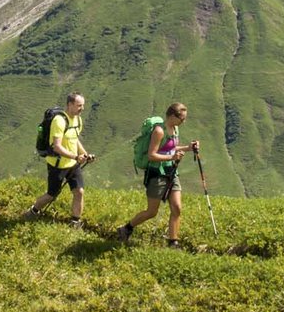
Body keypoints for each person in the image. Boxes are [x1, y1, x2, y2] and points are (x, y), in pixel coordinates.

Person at [114, 102, 195, 246]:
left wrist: (189, 148)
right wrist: (172, 157)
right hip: (156, 173)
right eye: (182, 119)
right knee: (152, 212)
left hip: (171, 171)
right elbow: (152, 155)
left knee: (177, 208)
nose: (184, 122)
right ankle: (126, 228)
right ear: (172, 116)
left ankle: (173, 242)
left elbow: (171, 147)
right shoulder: (159, 131)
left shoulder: (174, 128)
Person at [23, 92, 94, 225]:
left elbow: (74, 138)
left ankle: (75, 222)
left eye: (83, 105)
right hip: (57, 164)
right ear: (70, 105)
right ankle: (33, 211)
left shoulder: (78, 120)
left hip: (73, 164)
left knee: (79, 192)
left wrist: (85, 154)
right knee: (51, 195)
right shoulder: (59, 121)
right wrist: (75, 156)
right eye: (79, 106)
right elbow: (57, 147)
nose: (82, 109)